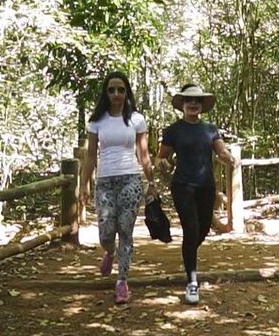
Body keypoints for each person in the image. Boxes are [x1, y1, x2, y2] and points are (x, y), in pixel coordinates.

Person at [156, 83, 238, 304]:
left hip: (206, 186)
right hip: (182, 185)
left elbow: (220, 150)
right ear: (182, 104)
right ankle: (192, 281)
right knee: (190, 229)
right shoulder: (172, 131)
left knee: (201, 231)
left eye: (197, 101)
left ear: (202, 105)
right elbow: (162, 156)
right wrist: (163, 162)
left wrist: (229, 157)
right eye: (189, 100)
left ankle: (188, 253)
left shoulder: (210, 129)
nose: (193, 104)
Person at [80, 71, 156, 304]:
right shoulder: (96, 121)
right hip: (105, 180)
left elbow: (143, 154)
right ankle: (109, 252)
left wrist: (151, 182)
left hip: (130, 179)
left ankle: (122, 280)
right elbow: (91, 156)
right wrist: (83, 185)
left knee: (125, 230)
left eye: (120, 90)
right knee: (105, 231)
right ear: (106, 92)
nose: (116, 94)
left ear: (127, 92)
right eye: (111, 89)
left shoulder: (136, 120)